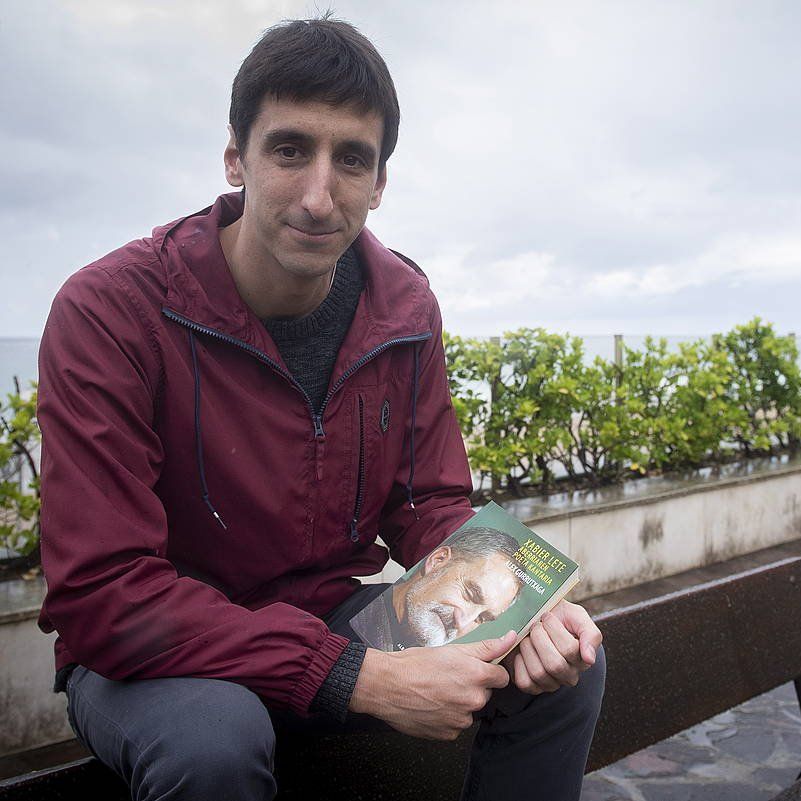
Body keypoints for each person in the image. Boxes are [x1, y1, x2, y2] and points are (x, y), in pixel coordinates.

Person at [36, 16, 604, 801]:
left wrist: (524, 600)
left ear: (380, 184)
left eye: (352, 160)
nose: (317, 194)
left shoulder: (402, 304)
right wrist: (357, 677)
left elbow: (427, 501)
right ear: (236, 157)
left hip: (332, 620)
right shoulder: (110, 311)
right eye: (290, 148)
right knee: (214, 741)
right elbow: (103, 589)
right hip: (156, 654)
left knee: (561, 665)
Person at [354, 526, 523, 651]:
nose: (461, 623)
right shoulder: (352, 613)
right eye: (470, 594)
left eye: (481, 618)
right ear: (438, 560)